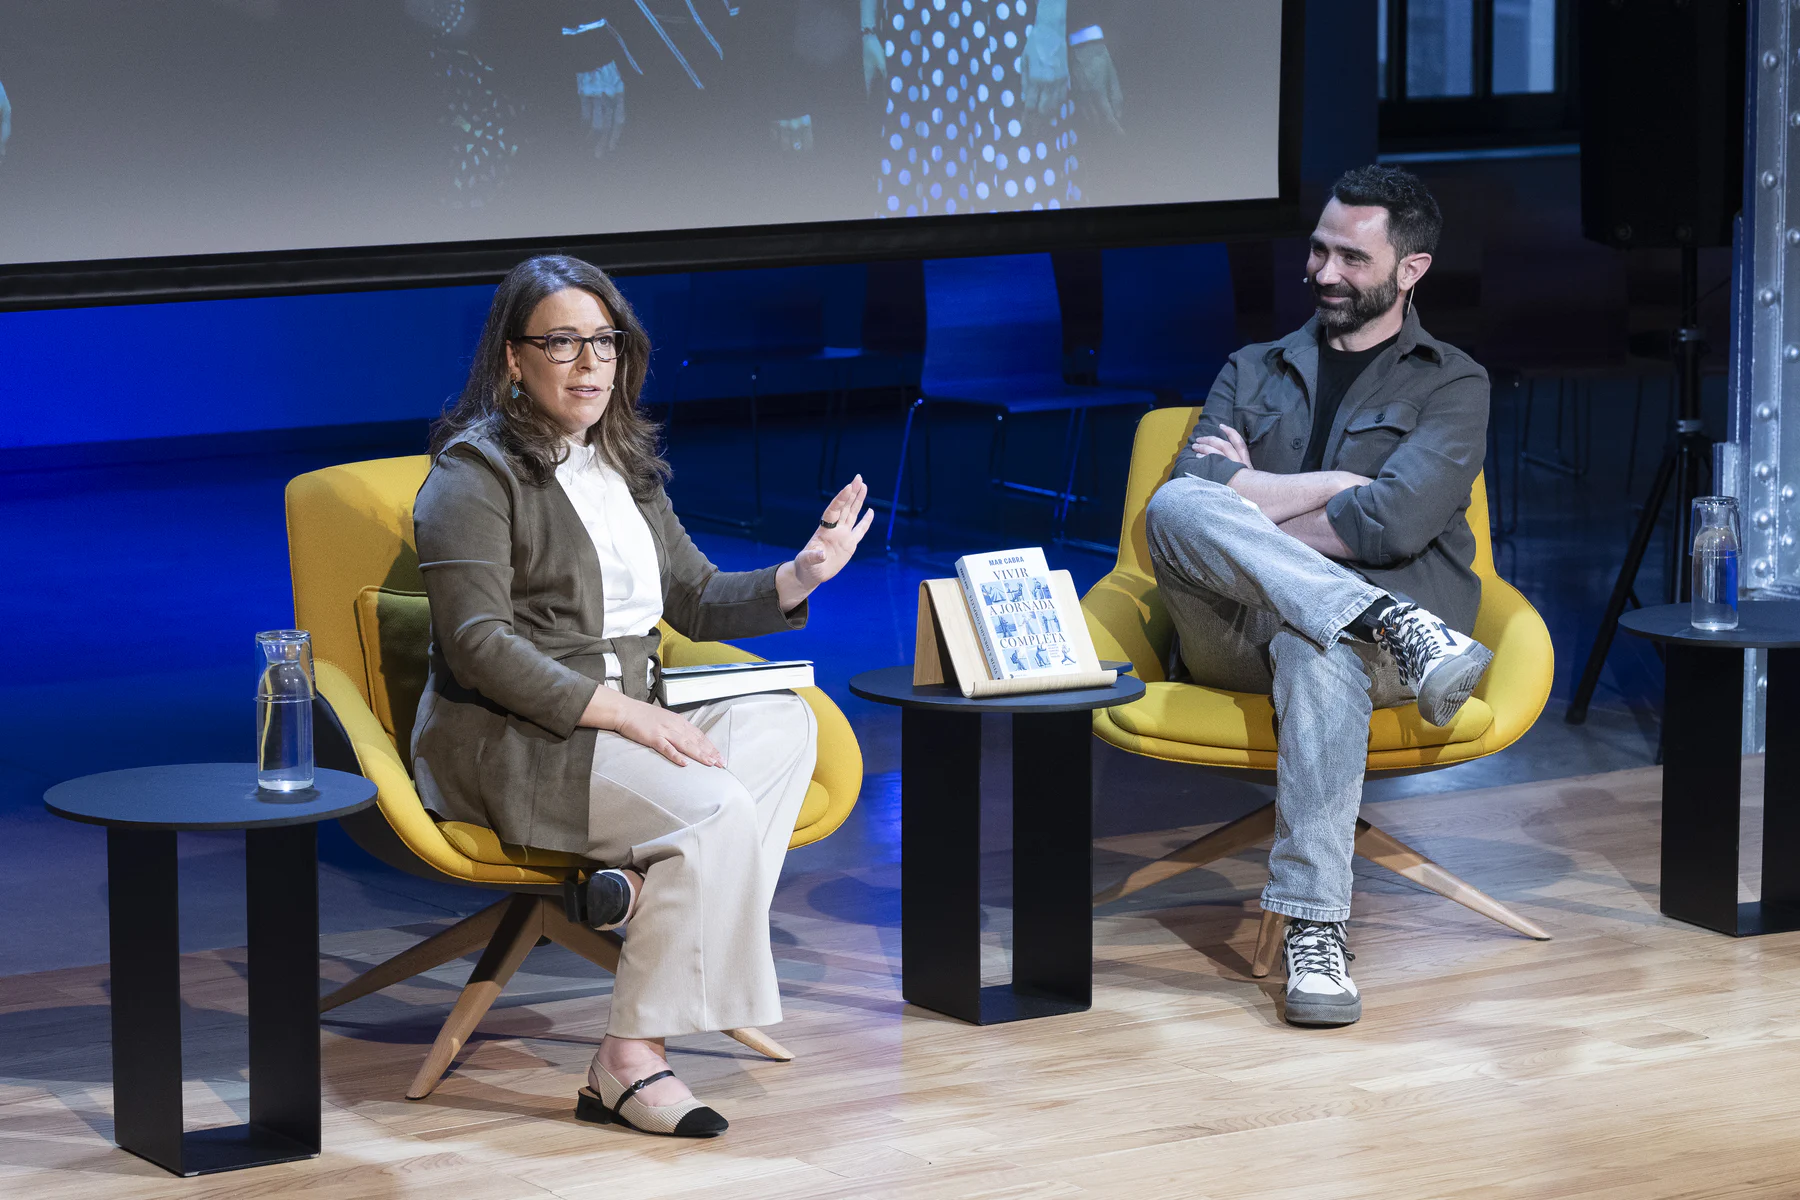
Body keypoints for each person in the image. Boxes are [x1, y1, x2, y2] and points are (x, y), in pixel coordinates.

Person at [412, 255, 873, 1137]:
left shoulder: (622, 465)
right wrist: (630, 715)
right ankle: (628, 1059)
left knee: (784, 725)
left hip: (626, 717)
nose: (590, 363)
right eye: (562, 343)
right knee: (713, 809)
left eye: (605, 341)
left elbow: (693, 595)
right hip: (520, 738)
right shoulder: (472, 475)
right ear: (514, 358)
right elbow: (478, 647)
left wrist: (801, 573)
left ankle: (634, 889)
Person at [1144, 166, 1491, 1028]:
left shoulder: (1452, 384)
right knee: (1174, 507)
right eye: (1318, 249)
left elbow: (1394, 525)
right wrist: (1335, 485)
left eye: (1352, 257)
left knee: (1319, 645)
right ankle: (1383, 618)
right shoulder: (1251, 368)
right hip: (1238, 630)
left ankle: (1315, 930)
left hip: (1361, 657)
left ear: (1411, 269)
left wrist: (1251, 495)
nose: (1324, 272)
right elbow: (1195, 493)